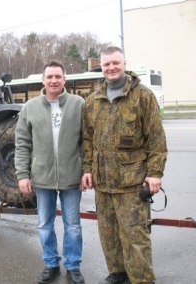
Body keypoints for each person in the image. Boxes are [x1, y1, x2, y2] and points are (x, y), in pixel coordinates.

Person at [81, 46, 167, 284]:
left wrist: (154, 174)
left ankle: (141, 279)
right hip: (103, 182)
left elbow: (156, 140)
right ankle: (118, 273)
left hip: (132, 182)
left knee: (135, 235)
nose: (111, 68)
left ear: (124, 63)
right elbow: (87, 139)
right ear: (101, 66)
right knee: (108, 234)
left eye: (115, 63)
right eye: (107, 64)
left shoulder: (143, 96)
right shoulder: (93, 101)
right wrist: (87, 169)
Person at [15, 60, 85, 284]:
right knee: (44, 224)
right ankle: (51, 264)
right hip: (42, 177)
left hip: (71, 177)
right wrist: (22, 175)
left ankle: (73, 266)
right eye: (49, 77)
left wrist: (87, 170)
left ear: (64, 79)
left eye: (58, 76)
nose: (54, 80)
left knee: (73, 225)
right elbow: (22, 144)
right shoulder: (30, 108)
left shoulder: (79, 104)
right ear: (43, 80)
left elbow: (87, 141)